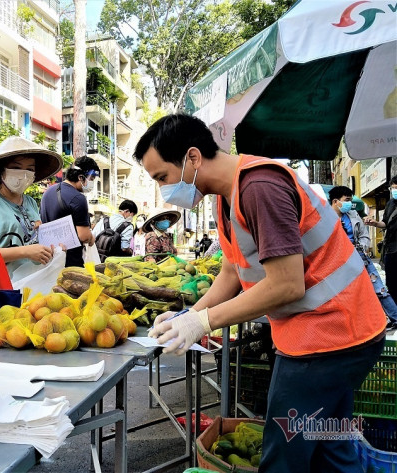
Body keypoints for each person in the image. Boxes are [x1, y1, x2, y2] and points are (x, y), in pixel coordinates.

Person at [135, 114, 385, 473]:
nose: (164, 190)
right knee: (329, 446)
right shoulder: (227, 196)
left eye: (162, 177)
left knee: (282, 457)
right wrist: (188, 316)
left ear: (192, 158)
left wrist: (203, 322)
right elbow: (232, 271)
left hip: (329, 338)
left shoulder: (259, 187)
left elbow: (287, 284)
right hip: (338, 333)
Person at [0, 136, 63, 276]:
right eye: (16, 168)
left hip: (32, 283)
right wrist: (25, 252)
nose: (23, 174)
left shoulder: (31, 203)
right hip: (2, 288)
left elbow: (35, 244)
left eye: (29, 169)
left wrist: (52, 246)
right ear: (1, 171)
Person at [329, 185, 397, 328]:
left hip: (360, 256)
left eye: (350, 200)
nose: (349, 204)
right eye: (346, 200)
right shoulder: (324, 218)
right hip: (338, 261)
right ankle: (350, 324)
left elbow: (364, 235)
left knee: (379, 288)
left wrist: (363, 247)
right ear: (335, 201)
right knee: (347, 293)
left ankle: (395, 317)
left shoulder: (353, 215)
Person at [40, 156, 100, 267]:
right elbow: (84, 236)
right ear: (81, 177)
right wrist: (91, 238)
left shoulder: (48, 192)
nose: (92, 183)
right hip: (70, 264)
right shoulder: (78, 198)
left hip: (49, 261)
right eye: (91, 179)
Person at [365, 175, 397, 316]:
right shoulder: (391, 203)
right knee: (392, 283)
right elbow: (385, 223)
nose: (394, 190)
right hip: (391, 249)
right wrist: (375, 223)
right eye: (393, 188)